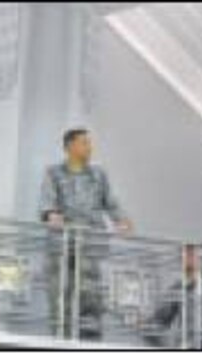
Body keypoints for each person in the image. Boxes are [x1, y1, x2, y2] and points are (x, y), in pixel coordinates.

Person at [38, 128, 132, 340]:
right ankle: (61, 343)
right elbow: (47, 201)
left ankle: (90, 343)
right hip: (61, 247)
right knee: (61, 297)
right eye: (84, 143)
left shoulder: (99, 174)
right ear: (70, 147)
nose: (90, 147)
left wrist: (121, 219)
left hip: (89, 247)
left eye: (89, 143)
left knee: (91, 297)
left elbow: (111, 201)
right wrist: (51, 214)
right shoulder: (53, 172)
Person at [142, 244, 202, 348]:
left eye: (192, 256)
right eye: (185, 256)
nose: (188, 260)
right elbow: (161, 317)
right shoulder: (178, 288)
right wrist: (148, 327)